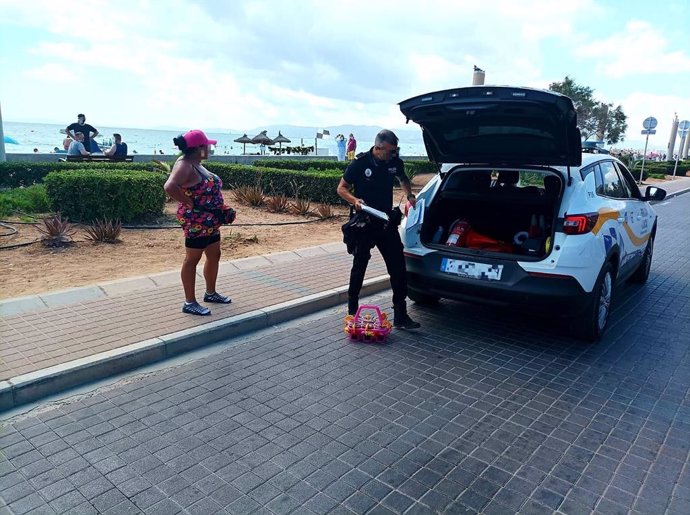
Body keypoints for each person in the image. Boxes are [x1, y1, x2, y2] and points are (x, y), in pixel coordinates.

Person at [337, 129, 420, 329]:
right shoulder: (360, 163)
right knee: (360, 266)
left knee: (398, 267)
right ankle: (352, 312)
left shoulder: (394, 162)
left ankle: (401, 314)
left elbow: (403, 178)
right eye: (391, 151)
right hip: (364, 222)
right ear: (378, 148)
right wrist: (354, 200)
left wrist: (409, 195)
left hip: (385, 221)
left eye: (396, 151)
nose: (394, 154)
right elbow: (341, 188)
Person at [164, 129, 233, 316]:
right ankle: (189, 302)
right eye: (207, 146)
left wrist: (222, 208)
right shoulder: (185, 164)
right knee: (192, 260)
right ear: (198, 148)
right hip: (197, 221)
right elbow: (170, 186)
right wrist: (187, 202)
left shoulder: (197, 163)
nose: (210, 149)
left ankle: (211, 293)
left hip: (210, 221)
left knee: (214, 254)